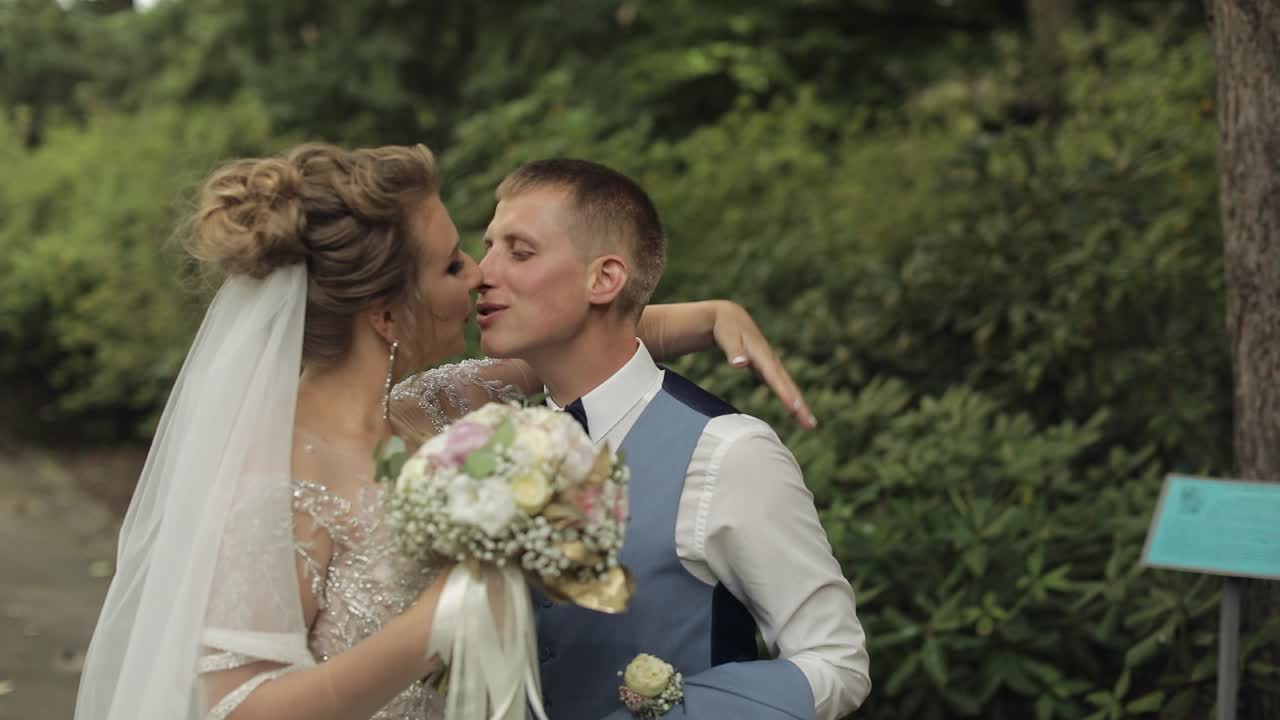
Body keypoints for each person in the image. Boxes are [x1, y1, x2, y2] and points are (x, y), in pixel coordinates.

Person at [72, 143, 815, 720]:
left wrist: (711, 316)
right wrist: (434, 624)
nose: (480, 277)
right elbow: (237, 708)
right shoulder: (275, 482)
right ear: (389, 315)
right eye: (457, 262)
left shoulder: (438, 406)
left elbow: (588, 337)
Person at [472, 159, 870, 719]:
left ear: (604, 279)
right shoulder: (483, 449)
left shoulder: (728, 452)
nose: (481, 272)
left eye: (519, 251)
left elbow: (836, 660)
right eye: (487, 246)